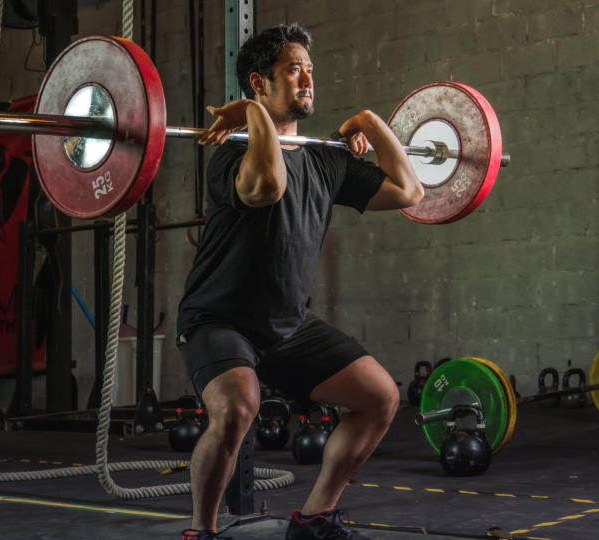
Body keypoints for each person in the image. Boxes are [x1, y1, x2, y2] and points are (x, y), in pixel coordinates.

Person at [176, 23, 423, 540]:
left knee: (379, 397)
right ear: (258, 82)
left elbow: (407, 192)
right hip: (219, 319)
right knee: (237, 408)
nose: (307, 79)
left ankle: (314, 517)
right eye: (293, 69)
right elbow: (267, 186)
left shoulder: (326, 159)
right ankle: (201, 531)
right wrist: (250, 116)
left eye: (310, 69)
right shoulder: (230, 155)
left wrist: (372, 124)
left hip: (287, 326)